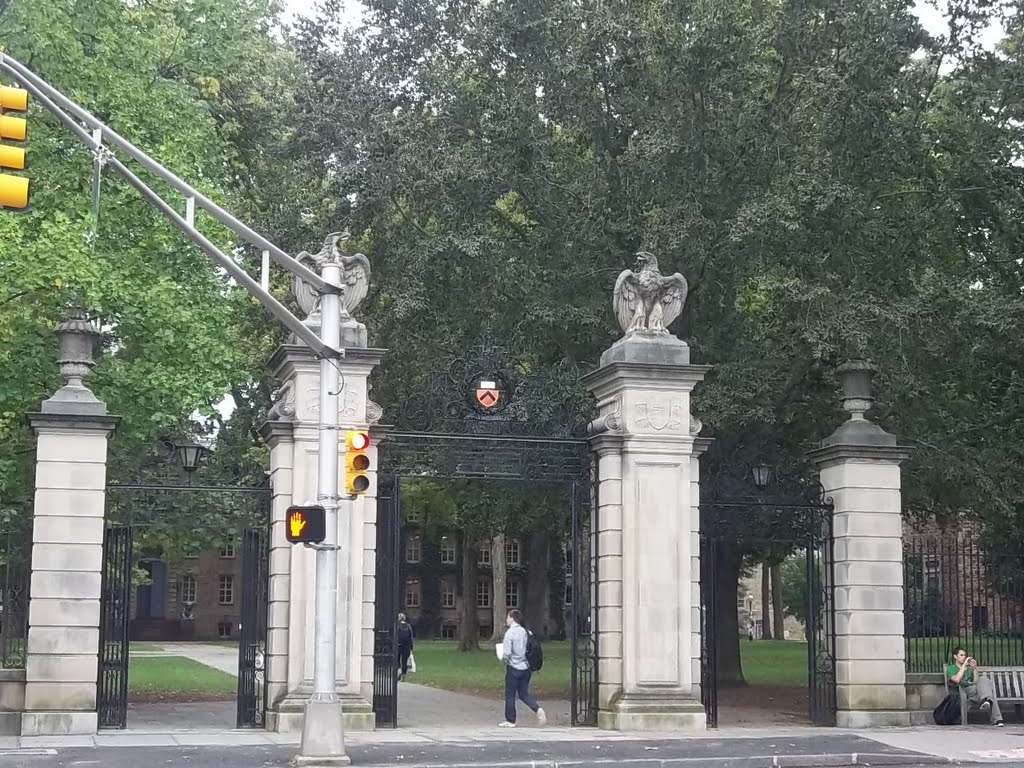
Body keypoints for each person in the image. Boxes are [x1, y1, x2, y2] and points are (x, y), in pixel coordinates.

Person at [499, 609, 546, 728]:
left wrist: (502, 659)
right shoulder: (527, 632)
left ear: (512, 618)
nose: (506, 620)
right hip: (526, 668)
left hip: (514, 667)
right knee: (523, 693)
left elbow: (507, 653)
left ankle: (510, 720)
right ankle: (537, 709)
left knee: (510, 694)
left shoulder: (510, 633)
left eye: (508, 618)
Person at [947, 648, 1003, 727]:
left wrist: (974, 669)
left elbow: (976, 681)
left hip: (975, 691)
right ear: (955, 656)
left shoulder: (969, 669)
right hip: (964, 691)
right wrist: (963, 666)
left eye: (965, 655)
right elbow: (956, 680)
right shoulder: (951, 668)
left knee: (983, 678)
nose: (964, 657)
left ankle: (986, 700)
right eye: (961, 655)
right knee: (991, 695)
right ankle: (997, 719)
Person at [396, 613, 414, 682]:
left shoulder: (397, 626)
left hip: (399, 645)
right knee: (404, 661)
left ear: (399, 618)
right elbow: (411, 637)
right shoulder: (408, 626)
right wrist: (411, 646)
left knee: (397, 660)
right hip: (407, 646)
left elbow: (395, 636)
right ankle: (403, 677)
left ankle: (399, 670)